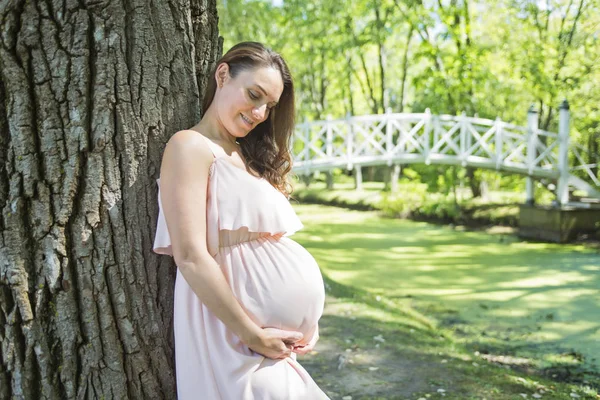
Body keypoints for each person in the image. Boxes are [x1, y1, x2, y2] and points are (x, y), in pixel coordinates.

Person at [152, 42, 329, 399]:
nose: (261, 112)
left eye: (270, 105)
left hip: (266, 344)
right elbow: (190, 256)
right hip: (230, 335)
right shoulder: (190, 146)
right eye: (254, 94)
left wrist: (305, 323)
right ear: (222, 74)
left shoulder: (245, 156)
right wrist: (253, 334)